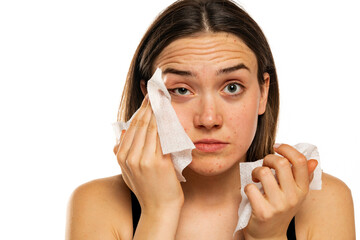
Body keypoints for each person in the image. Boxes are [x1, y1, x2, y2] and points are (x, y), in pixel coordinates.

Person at [65, 0, 355, 239]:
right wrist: (159, 211)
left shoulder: (322, 201)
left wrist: (270, 236)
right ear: (148, 99)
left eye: (232, 87)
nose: (208, 118)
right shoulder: (97, 204)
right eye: (181, 90)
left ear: (263, 93)